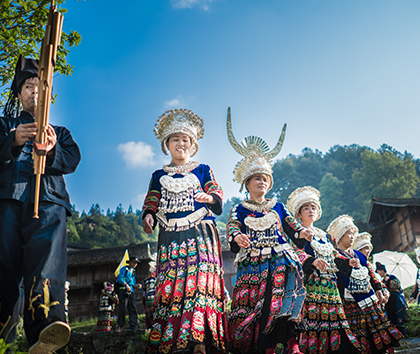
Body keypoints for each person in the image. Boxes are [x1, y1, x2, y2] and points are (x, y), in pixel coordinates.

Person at [0, 55, 81, 354]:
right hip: (7, 201)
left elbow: (71, 159)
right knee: (3, 267)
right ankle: (2, 338)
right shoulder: (4, 125)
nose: (35, 92)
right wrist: (11, 141)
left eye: (40, 87)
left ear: (49, 95)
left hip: (48, 202)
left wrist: (51, 150)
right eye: (29, 86)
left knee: (47, 260)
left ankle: (45, 331)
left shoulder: (59, 133)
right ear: (19, 94)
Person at [142, 108, 227, 354]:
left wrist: (210, 198)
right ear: (166, 144)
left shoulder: (202, 170)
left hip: (200, 234)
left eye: (186, 140)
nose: (181, 143)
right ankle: (174, 342)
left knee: (200, 283)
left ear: (193, 145)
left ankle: (201, 342)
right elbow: (152, 201)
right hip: (170, 238)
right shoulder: (158, 175)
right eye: (175, 139)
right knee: (172, 286)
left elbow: (217, 190)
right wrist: (148, 216)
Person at [225, 112, 312, 354]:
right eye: (256, 179)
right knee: (261, 305)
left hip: (281, 259)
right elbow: (232, 227)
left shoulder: (278, 206)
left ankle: (293, 345)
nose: (261, 182)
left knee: (288, 298)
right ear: (247, 183)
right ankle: (268, 348)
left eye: (265, 179)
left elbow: (291, 225)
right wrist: (236, 237)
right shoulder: (239, 208)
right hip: (254, 263)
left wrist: (302, 234)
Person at [285, 187, 362, 354]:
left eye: (313, 207)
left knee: (335, 322)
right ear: (299, 214)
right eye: (306, 208)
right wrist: (312, 261)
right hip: (311, 284)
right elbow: (294, 252)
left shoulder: (323, 235)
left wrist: (348, 261)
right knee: (313, 322)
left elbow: (333, 254)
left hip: (330, 286)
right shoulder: (297, 234)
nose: (311, 210)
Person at [330, 215, 403, 353]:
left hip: (369, 301)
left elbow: (371, 274)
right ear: (339, 236)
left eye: (353, 234)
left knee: (375, 334)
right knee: (358, 336)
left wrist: (379, 289)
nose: (352, 237)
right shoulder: (334, 256)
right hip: (349, 303)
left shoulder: (359, 255)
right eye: (348, 234)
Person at [376, 262, 408, 336]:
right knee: (391, 318)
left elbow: (397, 287)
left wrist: (389, 280)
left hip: (397, 300)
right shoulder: (381, 280)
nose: (378, 273)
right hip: (389, 301)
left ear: (382, 271)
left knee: (399, 317)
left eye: (379, 271)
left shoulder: (392, 277)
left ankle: (403, 335)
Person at [115, 256, 141, 330]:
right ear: (130, 262)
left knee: (133, 308)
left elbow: (133, 283)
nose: (135, 264)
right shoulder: (124, 269)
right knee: (123, 308)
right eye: (134, 262)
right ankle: (120, 325)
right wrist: (126, 285)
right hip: (123, 290)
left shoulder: (134, 272)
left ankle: (133, 325)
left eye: (136, 263)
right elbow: (120, 278)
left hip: (131, 291)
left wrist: (137, 286)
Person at [143, 245, 157, 330]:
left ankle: (150, 326)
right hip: (154, 298)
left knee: (149, 313)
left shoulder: (146, 279)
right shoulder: (158, 278)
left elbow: (144, 289)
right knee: (155, 313)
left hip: (148, 298)